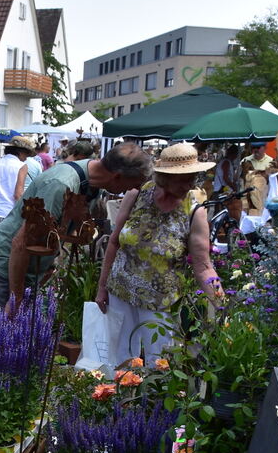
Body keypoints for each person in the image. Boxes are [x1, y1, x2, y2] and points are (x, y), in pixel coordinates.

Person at [0, 142, 152, 309]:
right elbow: (20, 244)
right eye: (134, 184)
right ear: (118, 176)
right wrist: (16, 299)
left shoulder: (91, 183)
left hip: (22, 271)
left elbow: (57, 228)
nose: (131, 190)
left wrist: (51, 261)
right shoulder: (61, 184)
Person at [93, 143, 223, 365]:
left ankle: (152, 401)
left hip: (160, 301)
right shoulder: (137, 194)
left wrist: (221, 304)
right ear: (164, 177)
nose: (190, 184)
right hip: (120, 290)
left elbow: (203, 266)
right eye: (183, 178)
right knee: (118, 359)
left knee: (160, 364)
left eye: (193, 177)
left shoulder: (195, 212)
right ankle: (115, 398)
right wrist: (102, 287)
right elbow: (114, 242)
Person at [240, 141, 273, 215]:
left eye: (258, 147)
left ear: (265, 148)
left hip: (263, 195)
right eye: (253, 148)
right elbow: (240, 178)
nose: (255, 150)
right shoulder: (245, 160)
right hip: (247, 195)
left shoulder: (271, 161)